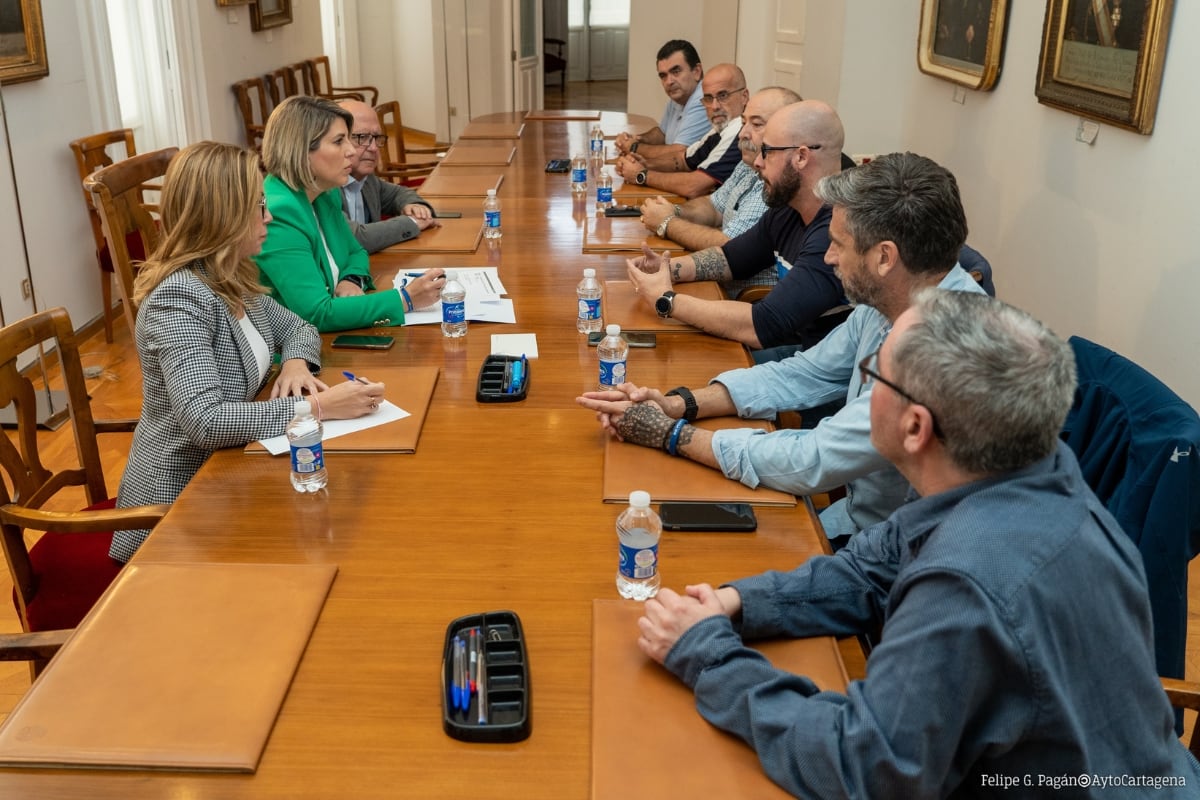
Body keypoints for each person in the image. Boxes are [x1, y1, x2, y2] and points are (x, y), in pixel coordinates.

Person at [635, 288, 1200, 797]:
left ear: (915, 428)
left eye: (874, 376)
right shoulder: (1030, 470)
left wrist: (707, 655)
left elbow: (865, 767)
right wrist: (738, 605)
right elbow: (871, 569)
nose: (864, 388)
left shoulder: (966, 581)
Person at [577, 152, 986, 540]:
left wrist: (671, 434)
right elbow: (806, 373)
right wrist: (678, 404)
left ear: (884, 257)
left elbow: (814, 459)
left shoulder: (938, 352)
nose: (827, 258)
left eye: (838, 244)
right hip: (855, 520)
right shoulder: (891, 299)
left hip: (896, 556)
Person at [112, 141, 384, 562]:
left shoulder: (230, 273)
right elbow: (207, 421)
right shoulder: (179, 299)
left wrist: (295, 362)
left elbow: (299, 326)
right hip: (181, 507)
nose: (269, 217)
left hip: (236, 473)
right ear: (224, 215)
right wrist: (320, 407)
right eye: (259, 207)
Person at [619, 100, 849, 351]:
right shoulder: (788, 208)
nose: (758, 163)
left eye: (768, 152)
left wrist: (667, 300)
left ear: (801, 157)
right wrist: (666, 269)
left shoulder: (836, 232)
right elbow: (730, 258)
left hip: (814, 368)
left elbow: (762, 325)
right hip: (795, 353)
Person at [255, 95, 446, 332]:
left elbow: (356, 251)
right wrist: (405, 300)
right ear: (301, 151)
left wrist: (351, 278)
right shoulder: (279, 212)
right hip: (294, 353)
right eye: (338, 141)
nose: (350, 151)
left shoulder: (324, 193)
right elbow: (316, 313)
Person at [636, 86, 800, 296]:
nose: (743, 133)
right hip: (715, 285)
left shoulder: (778, 188)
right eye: (743, 123)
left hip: (741, 298)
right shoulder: (748, 162)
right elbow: (714, 207)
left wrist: (667, 223)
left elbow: (731, 248)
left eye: (757, 124)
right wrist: (672, 212)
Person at [612, 63, 747, 199]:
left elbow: (694, 186)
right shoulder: (721, 129)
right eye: (708, 98)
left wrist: (641, 175)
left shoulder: (741, 130)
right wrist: (644, 164)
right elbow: (683, 160)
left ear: (744, 96)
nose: (715, 106)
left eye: (723, 95)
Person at [337, 98, 439, 254]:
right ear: (338, 140)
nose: (373, 147)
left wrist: (415, 207)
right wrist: (412, 222)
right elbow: (354, 238)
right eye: (362, 137)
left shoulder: (367, 179)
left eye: (377, 138)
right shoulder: (324, 187)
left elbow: (398, 193)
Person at [613, 39, 709, 151]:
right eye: (663, 76)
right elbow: (662, 134)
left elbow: (677, 153)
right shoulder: (678, 97)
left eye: (676, 71)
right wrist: (636, 139)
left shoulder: (705, 100)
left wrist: (634, 147)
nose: (669, 81)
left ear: (696, 71)